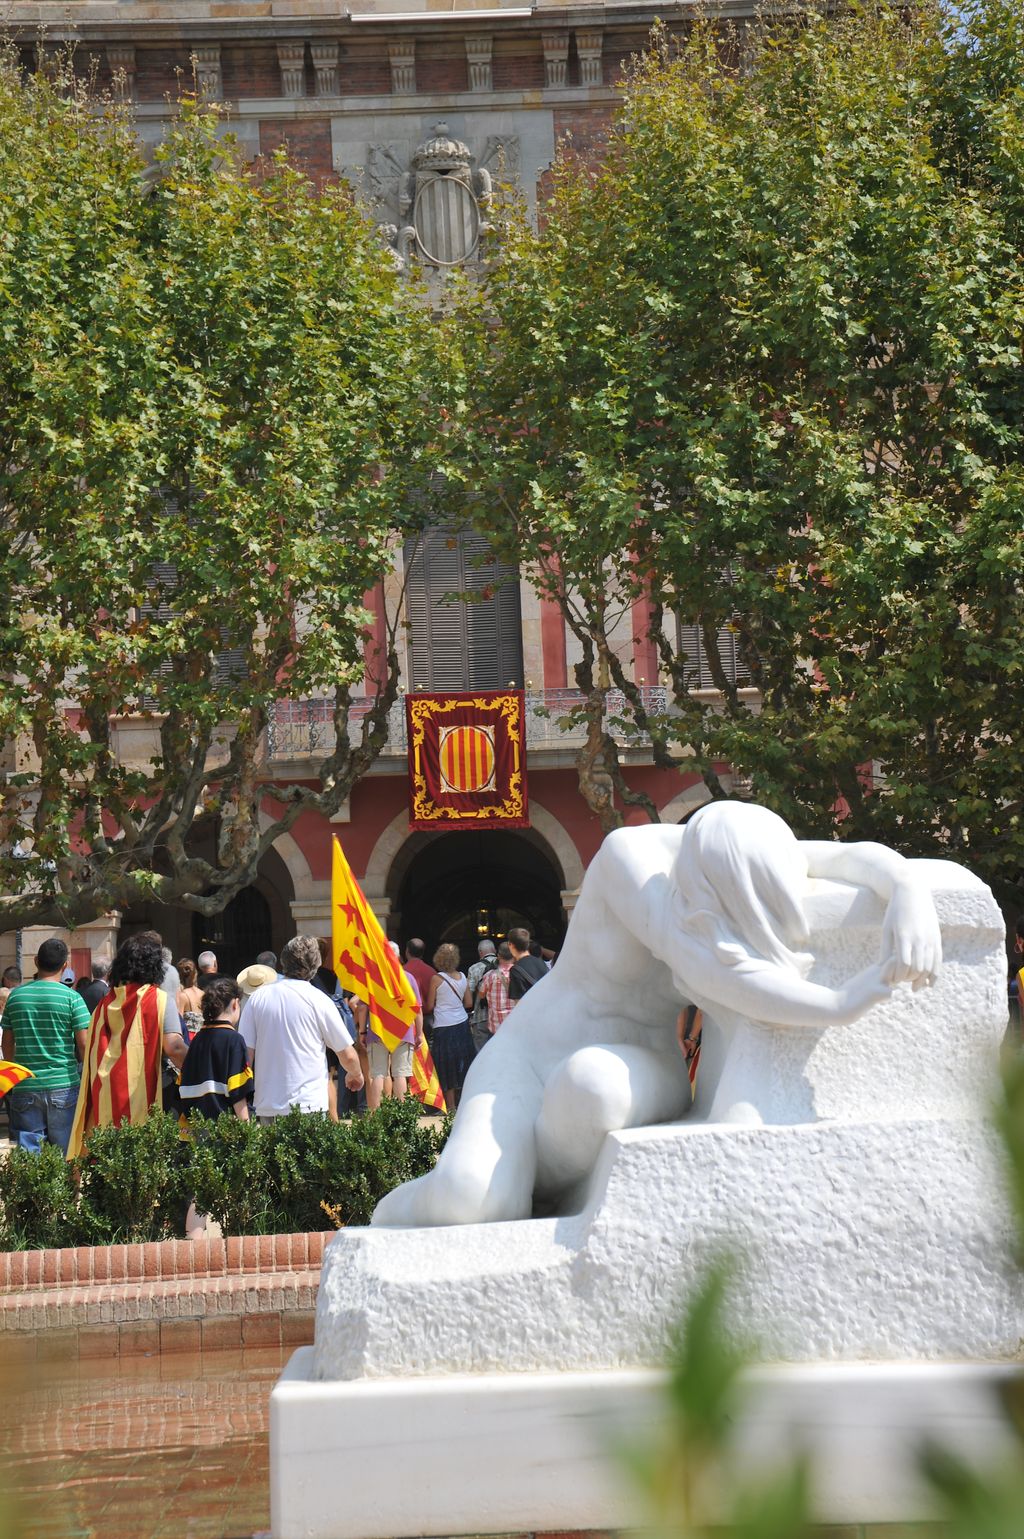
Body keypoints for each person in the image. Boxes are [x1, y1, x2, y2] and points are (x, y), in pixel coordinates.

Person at [372, 802, 943, 1229]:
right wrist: (841, 1004)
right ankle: (387, 1216)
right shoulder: (633, 862)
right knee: (470, 1200)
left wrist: (907, 888)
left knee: (591, 1086)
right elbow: (722, 975)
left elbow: (846, 856)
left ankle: (541, 1183)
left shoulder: (753, 850)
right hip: (526, 1057)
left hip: (638, 1066)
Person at [67, 930, 188, 1156]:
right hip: (147, 1092)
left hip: (106, 1094)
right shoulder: (159, 999)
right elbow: (174, 1047)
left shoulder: (104, 1004)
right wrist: (200, 1067)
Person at [239, 935, 364, 1121]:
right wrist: (356, 1074)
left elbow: (244, 1056)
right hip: (310, 1105)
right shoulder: (319, 1000)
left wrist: (241, 1098)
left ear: (283, 962)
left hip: (268, 1106)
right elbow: (348, 1055)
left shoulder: (257, 998)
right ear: (315, 966)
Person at [1, 938, 90, 1154]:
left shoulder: (16, 998)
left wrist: (16, 1073)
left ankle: (34, 1191)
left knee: (31, 1159)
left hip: (26, 1086)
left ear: (36, 961)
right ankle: (69, 1189)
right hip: (64, 1085)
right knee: (68, 1153)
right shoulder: (72, 998)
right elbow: (84, 1045)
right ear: (65, 966)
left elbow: (7, 1044)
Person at [178, 979, 253, 1123]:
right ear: (235, 1004)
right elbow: (238, 1089)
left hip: (194, 1128)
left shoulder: (198, 1039)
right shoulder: (234, 1040)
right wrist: (246, 1127)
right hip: (223, 1129)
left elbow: (183, 1084)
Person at [362, 942, 424, 1110]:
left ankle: (375, 1117)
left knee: (378, 1075)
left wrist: (361, 1031)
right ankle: (402, 1116)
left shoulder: (373, 979)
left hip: (377, 1031)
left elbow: (363, 1006)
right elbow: (416, 1009)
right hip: (403, 1032)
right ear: (397, 956)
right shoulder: (408, 978)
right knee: (401, 1075)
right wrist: (419, 1033)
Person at [424, 944, 473, 1112]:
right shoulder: (462, 976)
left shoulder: (437, 979)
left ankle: (450, 1106)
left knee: (446, 1064)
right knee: (463, 1062)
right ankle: (464, 1102)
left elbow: (429, 1006)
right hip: (462, 1024)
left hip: (443, 1026)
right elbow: (469, 1003)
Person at [467, 938, 499, 1054]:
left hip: (481, 1016)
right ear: (495, 950)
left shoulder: (473, 968)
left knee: (481, 1053)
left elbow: (468, 995)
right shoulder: (505, 966)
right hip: (501, 1017)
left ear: (480, 952)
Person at [477, 942, 514, 1036]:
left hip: (496, 1026)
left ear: (498, 956)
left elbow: (481, 995)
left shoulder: (490, 976)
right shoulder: (520, 973)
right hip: (515, 1023)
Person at [506, 928, 548, 1005]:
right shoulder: (541, 963)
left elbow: (518, 1003)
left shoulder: (515, 970)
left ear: (511, 945)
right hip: (546, 1010)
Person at [403, 939, 436, 1021]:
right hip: (429, 1018)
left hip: (409, 1019)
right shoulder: (432, 971)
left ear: (407, 951)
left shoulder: (401, 973)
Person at [176, 959, 206, 1038]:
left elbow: (178, 1022)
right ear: (195, 973)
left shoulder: (182, 995)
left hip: (188, 1038)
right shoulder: (203, 994)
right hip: (203, 1037)